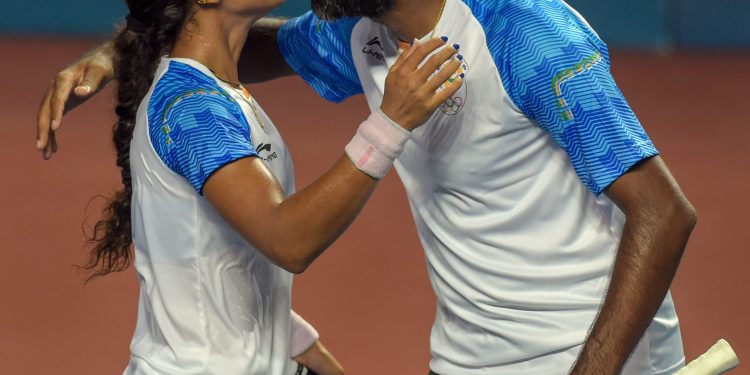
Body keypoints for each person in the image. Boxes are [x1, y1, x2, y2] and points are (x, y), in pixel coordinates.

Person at [36, 0, 698, 374]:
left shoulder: (527, 33)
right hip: (470, 360)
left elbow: (664, 211)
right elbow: (223, 48)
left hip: (590, 354)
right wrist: (127, 48)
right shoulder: (359, 32)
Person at [41, 0, 463, 374]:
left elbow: (220, 266)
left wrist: (299, 345)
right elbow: (288, 240)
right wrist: (390, 124)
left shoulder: (220, 93)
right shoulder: (191, 108)